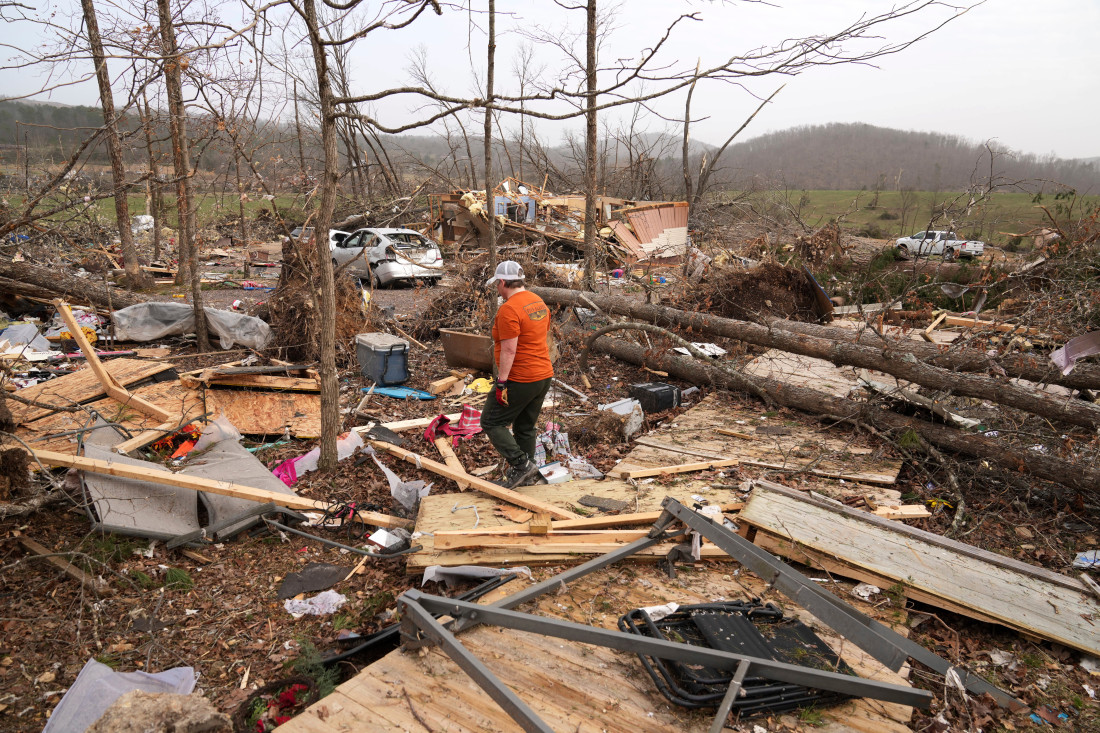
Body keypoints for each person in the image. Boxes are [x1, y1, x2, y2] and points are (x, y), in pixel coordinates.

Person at [481, 260, 553, 488]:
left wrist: (502, 383)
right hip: (543, 375)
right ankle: (528, 473)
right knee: (525, 426)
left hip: (521, 377)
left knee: (491, 422)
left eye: (497, 285)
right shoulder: (538, 302)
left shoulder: (509, 309)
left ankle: (522, 465)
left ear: (502, 282)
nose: (497, 290)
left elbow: (510, 349)